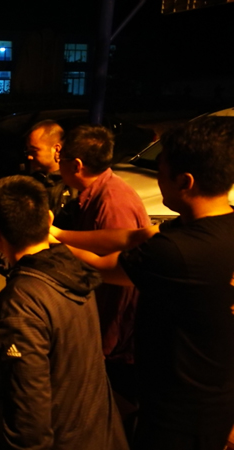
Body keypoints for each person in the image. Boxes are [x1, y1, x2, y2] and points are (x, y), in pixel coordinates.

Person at [51, 116, 234, 450]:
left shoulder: (176, 252)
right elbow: (131, 236)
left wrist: (46, 243)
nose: (157, 180)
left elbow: (101, 266)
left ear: (185, 181)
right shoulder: (206, 227)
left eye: (161, 172)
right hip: (218, 397)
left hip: (179, 411)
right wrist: (60, 234)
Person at [0, 175, 128, 450]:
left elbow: (29, 415)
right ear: (49, 219)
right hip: (100, 433)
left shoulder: (21, 303)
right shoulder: (72, 271)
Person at [59, 124, 150, 413]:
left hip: (118, 346)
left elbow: (121, 282)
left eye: (61, 158)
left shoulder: (113, 202)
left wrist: (104, 344)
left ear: (77, 165)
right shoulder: (96, 193)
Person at [25, 120, 75, 222]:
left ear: (56, 149)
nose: (29, 157)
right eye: (28, 151)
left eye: (34, 151)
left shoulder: (73, 184)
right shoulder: (30, 184)